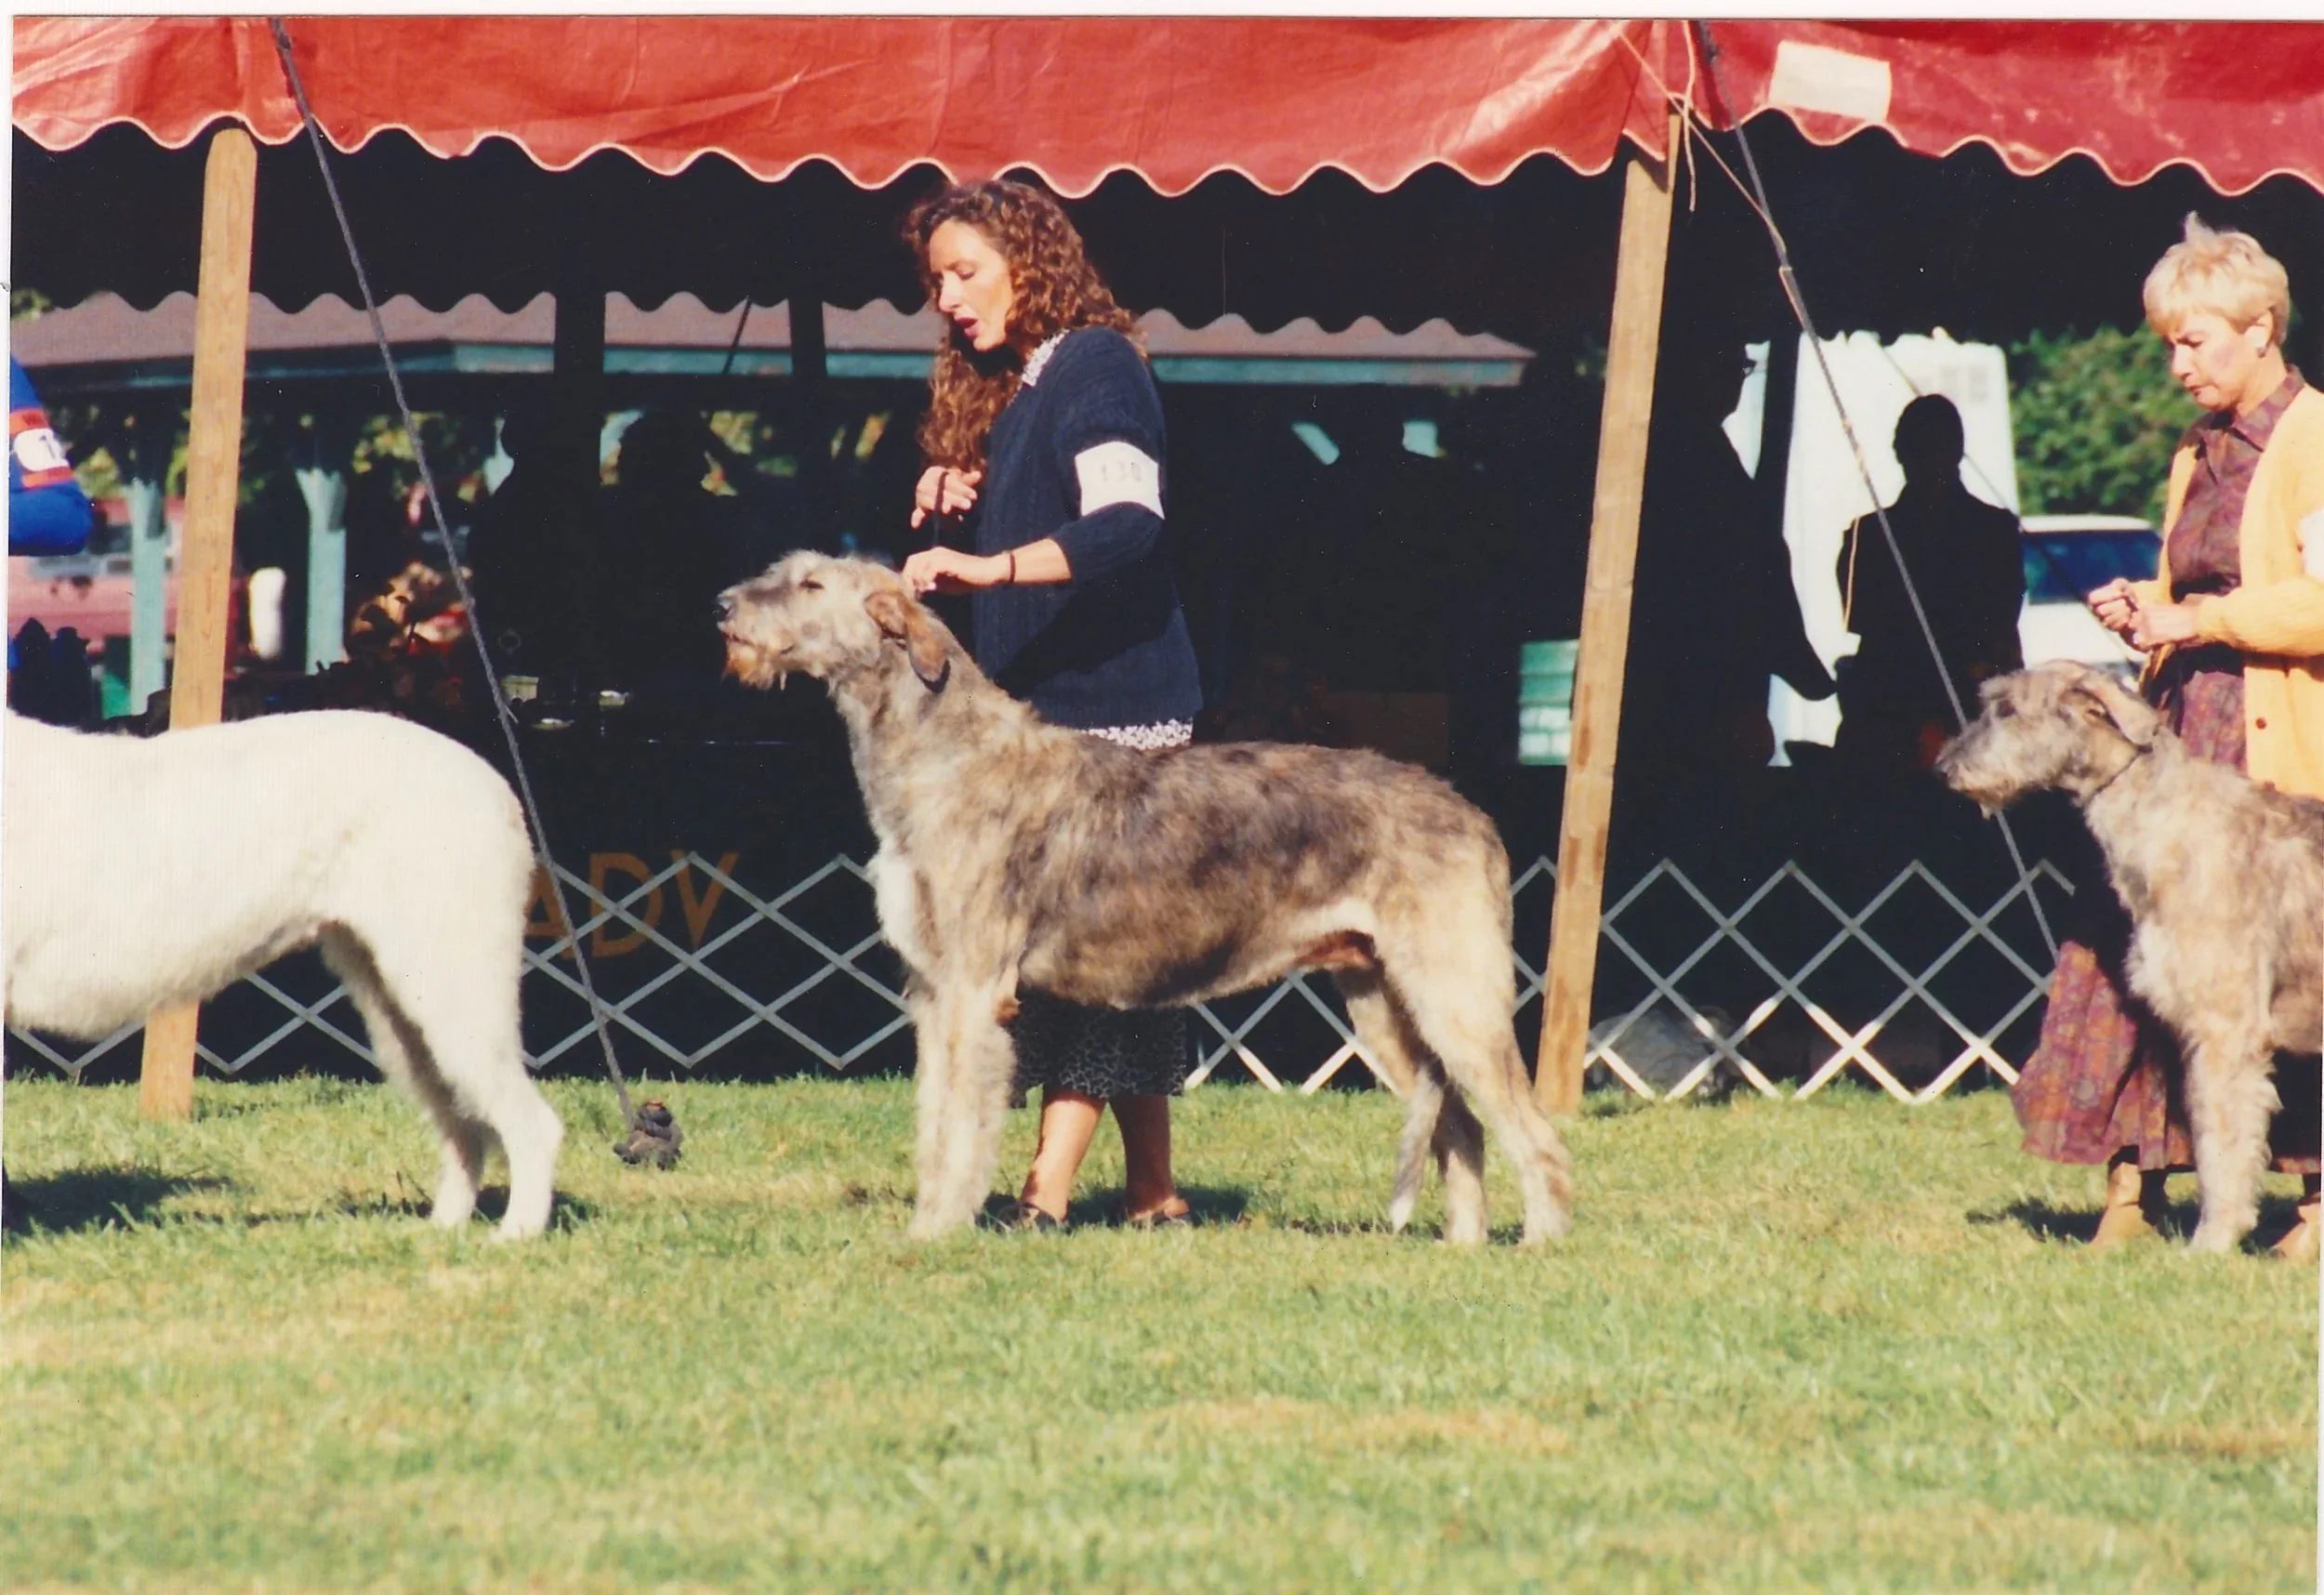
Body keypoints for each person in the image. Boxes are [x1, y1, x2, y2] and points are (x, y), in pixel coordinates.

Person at [896, 178, 1202, 1232]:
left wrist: (988, 573)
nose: (947, 296)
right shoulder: (1016, 383)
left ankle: (1043, 1194)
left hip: (1114, 715)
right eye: (936, 278)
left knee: (1079, 959)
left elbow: (1125, 522)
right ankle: (1156, 1195)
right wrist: (956, 491)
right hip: (1045, 713)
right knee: (1127, 952)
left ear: (1033, 262)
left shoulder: (1096, 366)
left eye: (966, 271)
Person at [2016, 215, 2324, 1258]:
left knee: (2284, 979)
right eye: (2166, 344)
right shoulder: (2196, 452)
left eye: (2192, 341)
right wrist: (2145, 604)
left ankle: (2313, 1212)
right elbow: (2192, 580)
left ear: (2263, 327)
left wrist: (2199, 618)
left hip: (2275, 754)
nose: (2175, 363)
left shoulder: (2315, 438)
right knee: (2130, 968)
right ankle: (2133, 1193)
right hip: (2180, 745)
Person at [1831, 394, 2026, 771]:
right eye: (1918, 448)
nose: (1929, 460)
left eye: (1938, 447)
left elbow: (2000, 623)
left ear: (1958, 451)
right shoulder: (1866, 534)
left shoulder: (1995, 530)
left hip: (1969, 709)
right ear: (1899, 452)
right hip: (1888, 715)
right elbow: (1858, 620)